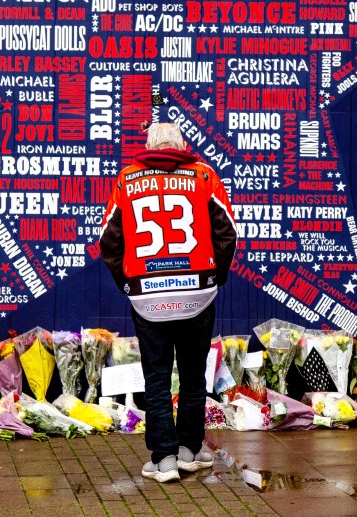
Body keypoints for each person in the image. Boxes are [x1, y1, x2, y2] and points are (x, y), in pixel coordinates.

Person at [99, 122, 237, 482]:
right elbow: (228, 233)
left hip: (148, 295)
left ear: (148, 144)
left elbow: (108, 242)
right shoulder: (204, 176)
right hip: (197, 292)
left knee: (157, 378)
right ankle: (190, 451)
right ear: (181, 144)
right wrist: (215, 277)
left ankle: (163, 461)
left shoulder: (127, 179)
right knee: (193, 376)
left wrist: (129, 284)